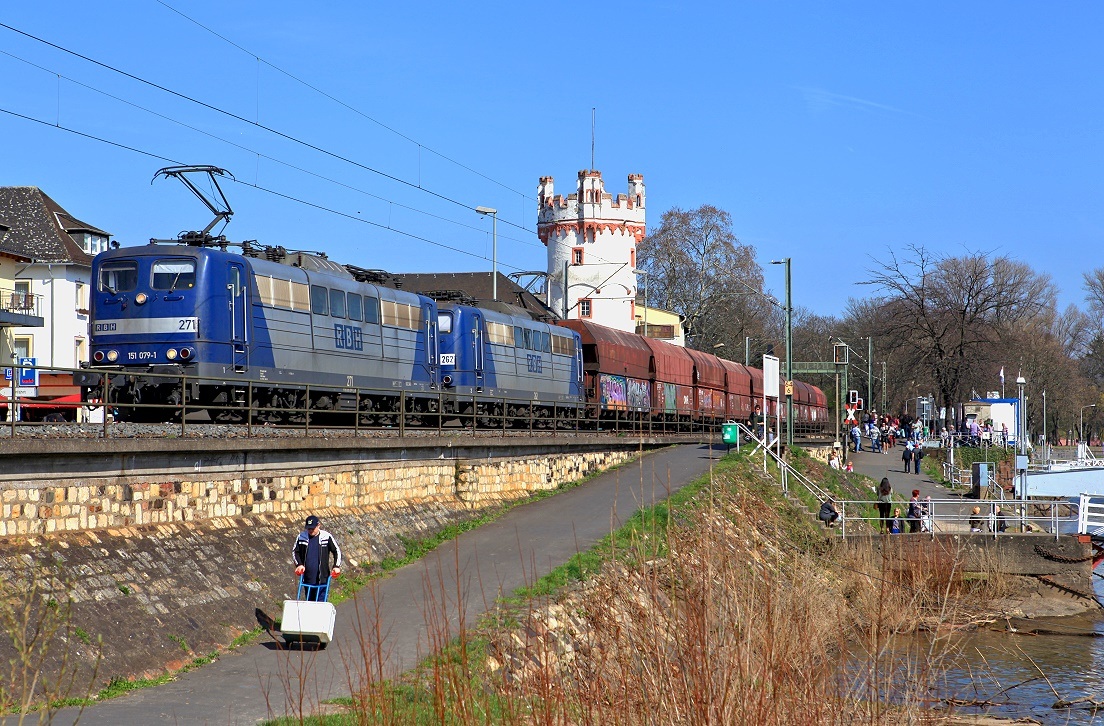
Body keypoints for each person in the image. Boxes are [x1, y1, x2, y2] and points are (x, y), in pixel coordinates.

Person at [292, 514, 342, 601]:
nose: (310, 530)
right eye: (309, 528)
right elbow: (295, 552)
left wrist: (336, 566)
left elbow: (336, 551)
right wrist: (299, 564)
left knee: (320, 604)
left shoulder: (326, 536)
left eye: (313, 528)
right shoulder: (301, 537)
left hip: (322, 578)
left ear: (318, 525)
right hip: (307, 578)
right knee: (309, 603)